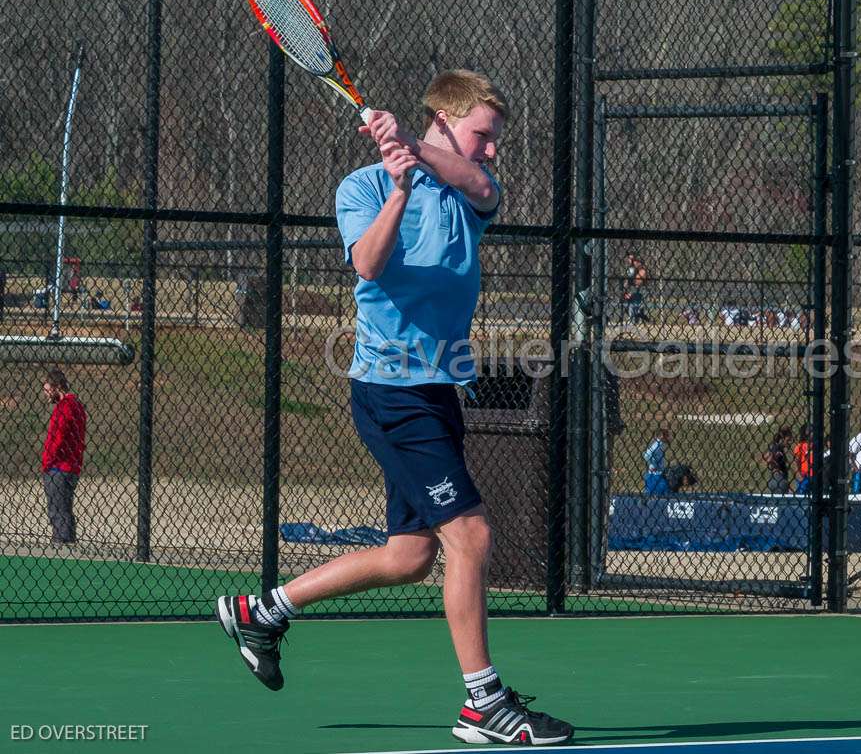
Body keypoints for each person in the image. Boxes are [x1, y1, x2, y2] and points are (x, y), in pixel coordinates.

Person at [214, 71, 573, 745]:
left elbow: (482, 187)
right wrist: (400, 188)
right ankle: (485, 707)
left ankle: (261, 611)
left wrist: (415, 147)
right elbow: (370, 265)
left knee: (410, 556)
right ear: (447, 118)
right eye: (483, 136)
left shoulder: (470, 197)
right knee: (471, 538)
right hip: (390, 393)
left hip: (438, 391)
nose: (492, 151)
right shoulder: (362, 187)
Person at [41, 369, 87, 545]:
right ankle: (66, 542)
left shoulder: (65, 407)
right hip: (70, 465)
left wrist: (47, 462)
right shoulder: (76, 405)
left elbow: (57, 437)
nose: (46, 395)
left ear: (56, 387)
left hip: (59, 467)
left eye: (48, 390)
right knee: (64, 510)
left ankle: (62, 544)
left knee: (57, 511)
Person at [763, 426, 792, 494]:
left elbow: (765, 456)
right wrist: (776, 466)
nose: (790, 442)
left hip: (774, 479)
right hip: (779, 479)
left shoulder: (775, 446)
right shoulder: (777, 447)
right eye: (788, 440)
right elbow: (769, 460)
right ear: (782, 437)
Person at [643, 427, 671, 495]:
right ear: (662, 436)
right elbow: (647, 455)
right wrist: (653, 464)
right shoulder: (656, 445)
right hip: (655, 474)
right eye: (667, 436)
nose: (669, 438)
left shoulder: (660, 445)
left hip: (658, 473)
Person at [792, 424, 814, 494]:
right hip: (804, 475)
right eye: (811, 431)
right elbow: (796, 462)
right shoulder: (800, 446)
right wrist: (799, 475)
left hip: (814, 475)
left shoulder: (815, 445)